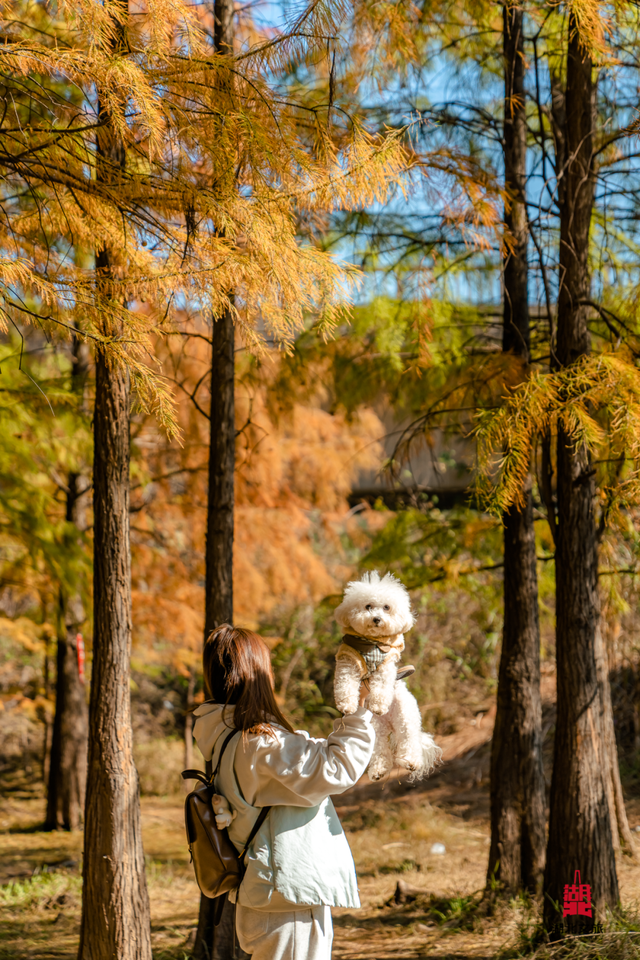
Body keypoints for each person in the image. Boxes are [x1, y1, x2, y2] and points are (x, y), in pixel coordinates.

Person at [192, 623, 374, 960]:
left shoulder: (225, 737)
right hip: (284, 902)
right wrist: (360, 710)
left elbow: (310, 763)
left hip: (268, 897)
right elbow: (335, 769)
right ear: (257, 675)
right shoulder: (258, 743)